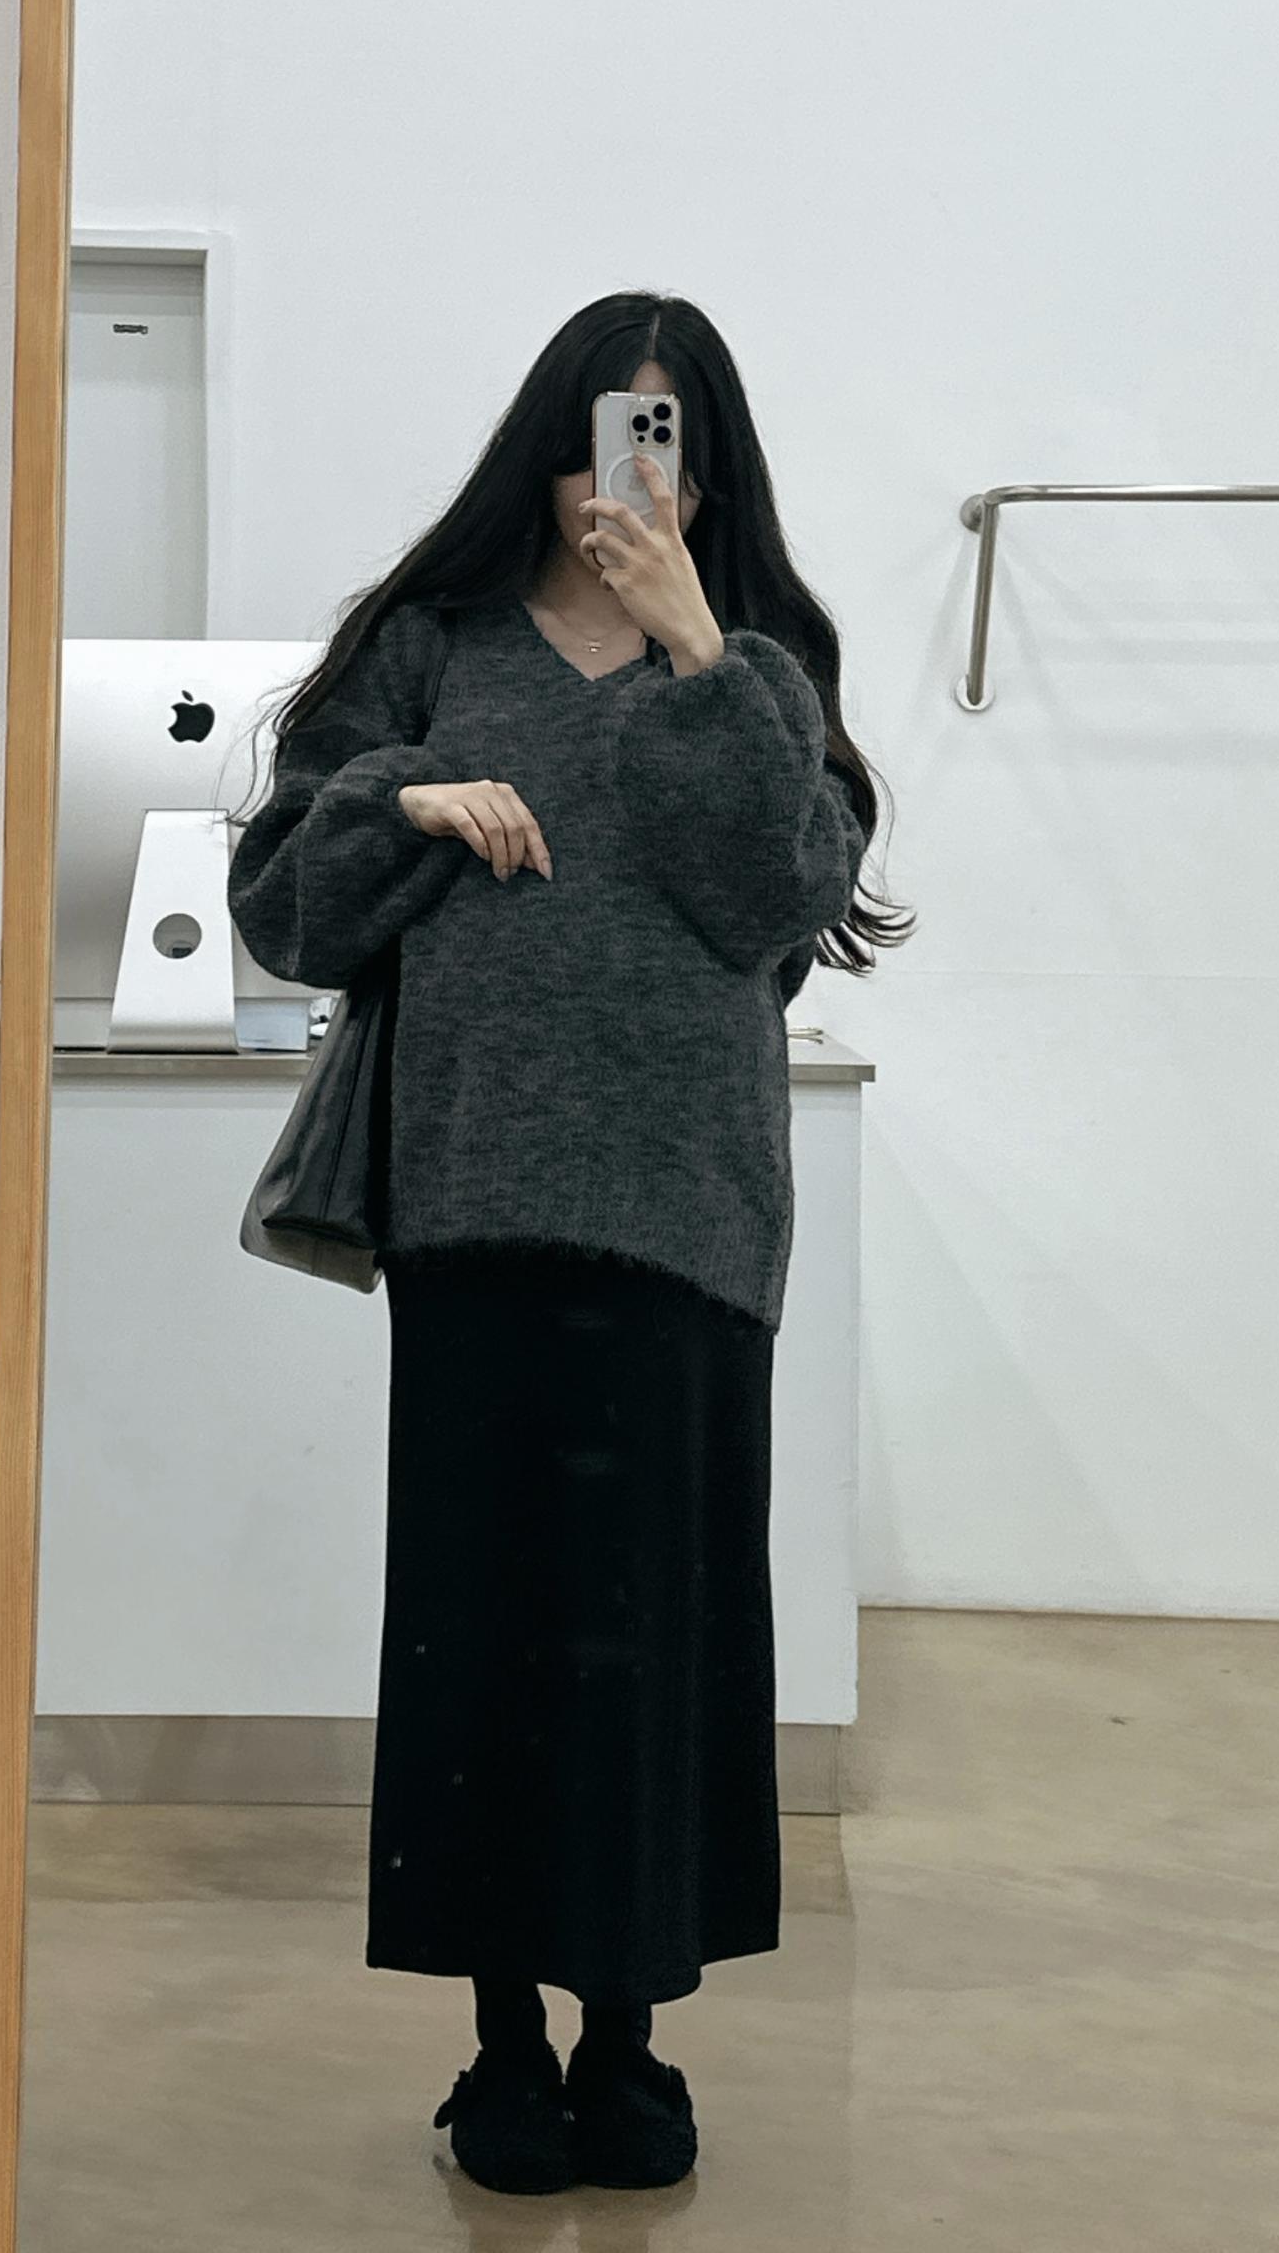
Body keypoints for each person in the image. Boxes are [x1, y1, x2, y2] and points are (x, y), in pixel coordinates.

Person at [226, 290, 912, 2195]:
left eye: (670, 432)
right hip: (475, 1204)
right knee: (486, 1636)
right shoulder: (427, 644)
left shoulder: (761, 661)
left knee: (652, 1644)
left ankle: (629, 2034)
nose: (635, 466)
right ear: (549, 440)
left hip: (687, 1216)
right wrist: (405, 795)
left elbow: (779, 904)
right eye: (612, 424)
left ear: (713, 467)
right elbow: (284, 901)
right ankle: (501, 2044)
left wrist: (697, 650)